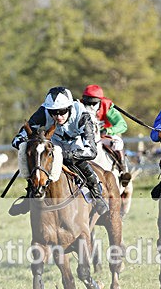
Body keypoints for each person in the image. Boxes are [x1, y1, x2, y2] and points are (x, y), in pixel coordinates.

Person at [10, 86, 109, 216]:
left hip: (76, 144)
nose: (58, 116)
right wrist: (29, 145)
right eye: (54, 112)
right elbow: (18, 138)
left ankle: (96, 194)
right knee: (37, 160)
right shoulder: (43, 112)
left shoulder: (82, 115)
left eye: (62, 111)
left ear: (69, 108)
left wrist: (66, 155)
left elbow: (91, 151)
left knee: (80, 162)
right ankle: (29, 196)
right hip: (53, 143)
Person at [80, 84, 130, 179]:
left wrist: (107, 130)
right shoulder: (78, 106)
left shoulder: (107, 106)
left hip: (105, 136)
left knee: (117, 144)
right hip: (84, 137)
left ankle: (123, 171)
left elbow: (122, 125)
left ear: (100, 101)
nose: (89, 106)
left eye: (93, 103)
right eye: (87, 103)